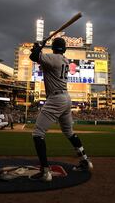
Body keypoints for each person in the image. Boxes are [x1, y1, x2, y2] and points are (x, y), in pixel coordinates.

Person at [28, 37, 93, 182]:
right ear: (64, 49)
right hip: (66, 98)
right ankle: (85, 161)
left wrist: (38, 47)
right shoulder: (64, 60)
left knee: (38, 133)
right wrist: (38, 48)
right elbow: (38, 57)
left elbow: (33, 56)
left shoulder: (53, 58)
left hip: (56, 99)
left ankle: (45, 172)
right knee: (69, 132)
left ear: (53, 48)